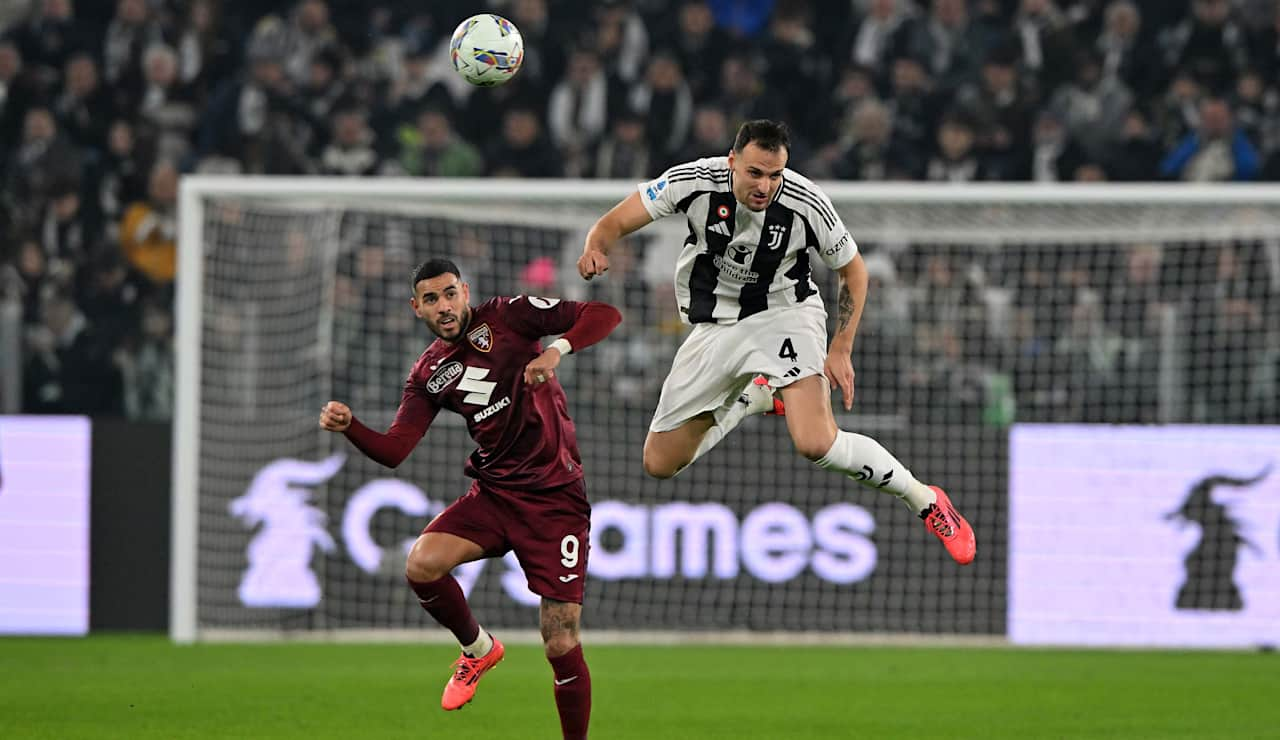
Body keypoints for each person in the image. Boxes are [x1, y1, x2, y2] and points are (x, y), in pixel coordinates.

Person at [577, 119, 976, 565]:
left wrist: (840, 349)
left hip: (785, 313)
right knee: (660, 463)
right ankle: (753, 399)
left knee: (815, 442)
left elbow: (854, 271)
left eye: (774, 175)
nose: (765, 185)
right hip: (716, 326)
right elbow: (613, 222)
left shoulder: (807, 203)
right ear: (732, 162)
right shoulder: (692, 181)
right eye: (755, 173)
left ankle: (925, 500)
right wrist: (597, 247)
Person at [319, 258, 621, 739]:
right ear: (416, 308)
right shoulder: (427, 373)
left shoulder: (510, 315)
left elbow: (604, 314)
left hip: (555, 498)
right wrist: (350, 426)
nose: (444, 306)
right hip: (496, 494)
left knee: (560, 640)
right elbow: (396, 450)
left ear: (466, 291)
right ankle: (478, 650)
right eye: (432, 299)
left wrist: (557, 351)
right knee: (421, 564)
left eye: (450, 293)